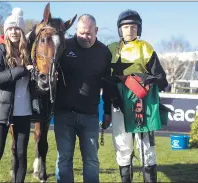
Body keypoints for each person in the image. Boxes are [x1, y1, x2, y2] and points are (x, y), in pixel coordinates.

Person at [102, 9, 168, 183]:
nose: (129, 30)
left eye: (133, 27)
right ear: (119, 30)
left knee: (146, 149)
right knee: (123, 147)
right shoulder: (110, 50)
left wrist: (137, 79)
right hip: (119, 105)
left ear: (139, 29)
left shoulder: (145, 48)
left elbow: (161, 79)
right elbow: (105, 82)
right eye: (125, 27)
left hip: (142, 105)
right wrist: (107, 109)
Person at [54, 14, 111, 183]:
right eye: (81, 33)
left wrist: (107, 111)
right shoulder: (64, 47)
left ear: (96, 31)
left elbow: (108, 85)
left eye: (89, 33)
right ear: (75, 31)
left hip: (90, 115)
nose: (85, 37)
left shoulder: (104, 52)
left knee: (91, 161)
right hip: (64, 113)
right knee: (64, 159)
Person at [0, 8, 33, 183]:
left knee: (21, 154)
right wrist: (21, 70)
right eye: (10, 28)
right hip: (1, 112)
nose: (14, 32)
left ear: (21, 31)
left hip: (24, 112)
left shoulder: (29, 54)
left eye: (17, 28)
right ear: (6, 31)